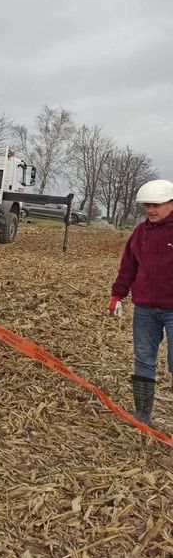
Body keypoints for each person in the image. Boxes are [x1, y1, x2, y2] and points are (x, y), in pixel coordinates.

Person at [109, 178, 173, 425]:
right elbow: (128, 266)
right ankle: (142, 415)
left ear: (171, 204)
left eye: (156, 205)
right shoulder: (140, 233)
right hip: (145, 308)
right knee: (144, 359)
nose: (151, 210)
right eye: (147, 205)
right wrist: (117, 294)